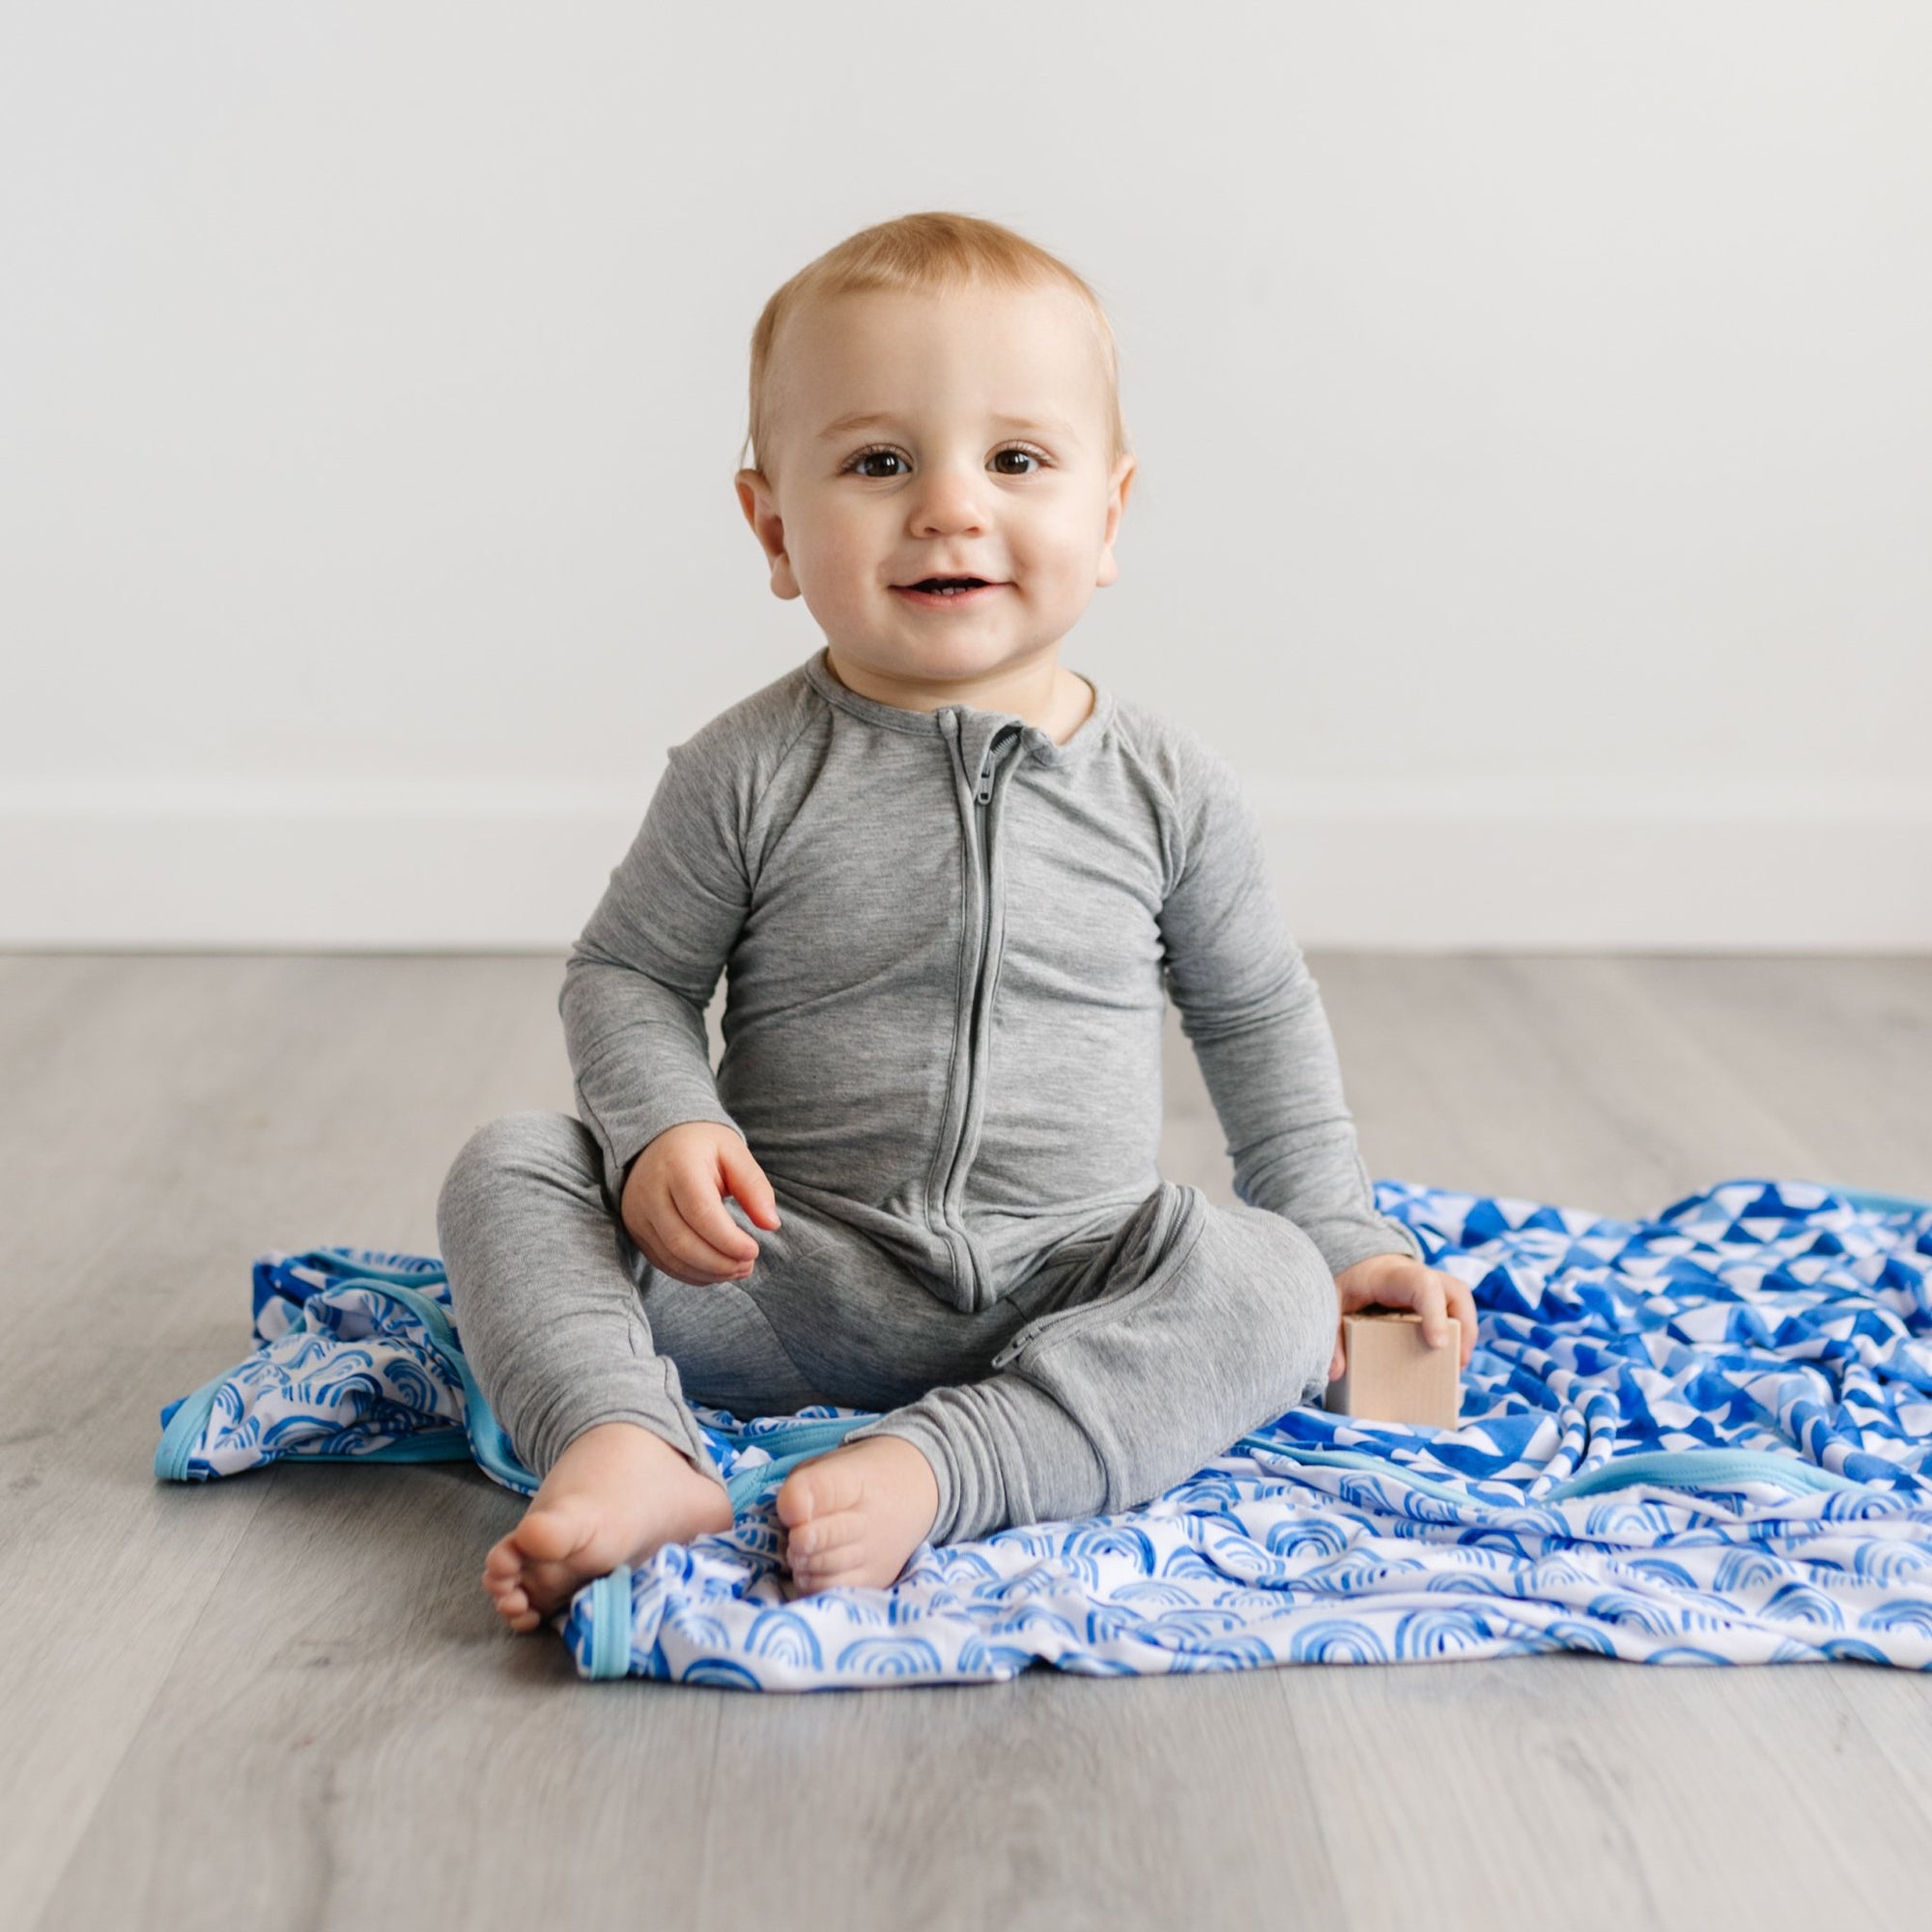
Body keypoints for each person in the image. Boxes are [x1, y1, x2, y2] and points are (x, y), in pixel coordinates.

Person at [436, 211, 1478, 1634]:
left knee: (1272, 1289)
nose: (949, 507)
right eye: (878, 463)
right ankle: (623, 1435)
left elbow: (1256, 1022)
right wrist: (663, 1128)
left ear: (1106, 518)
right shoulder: (748, 771)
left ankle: (952, 1467)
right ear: (773, 527)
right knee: (514, 1168)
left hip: (1081, 1279)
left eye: (1017, 461)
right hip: (777, 1270)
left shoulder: (1169, 789)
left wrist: (1343, 1236)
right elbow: (626, 975)